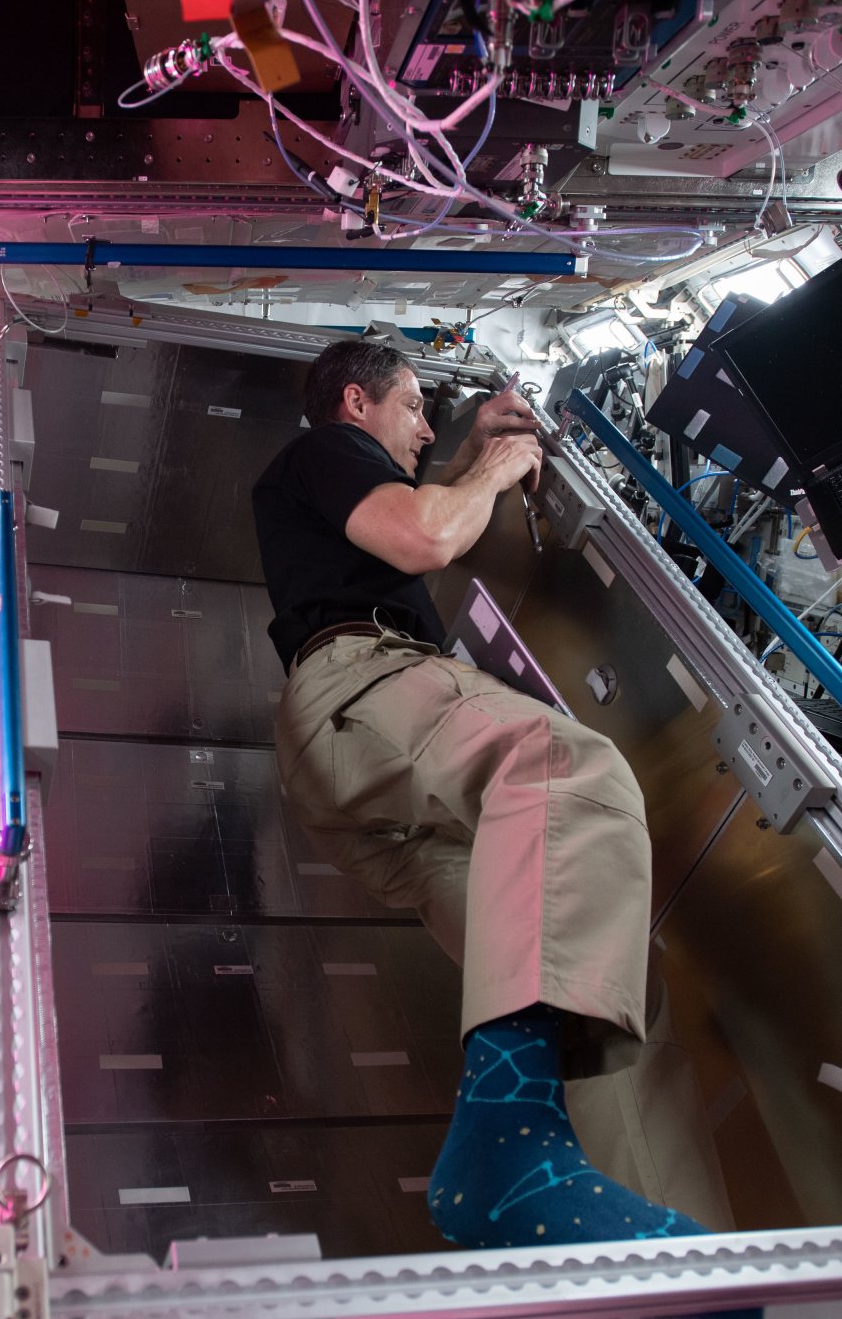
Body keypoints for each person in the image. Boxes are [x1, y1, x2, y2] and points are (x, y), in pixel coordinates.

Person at [253, 338, 713, 1254]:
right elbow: (422, 531)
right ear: (356, 401)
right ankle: (505, 1157)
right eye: (418, 407)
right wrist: (499, 467)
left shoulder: (357, 477)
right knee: (570, 768)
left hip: (366, 775)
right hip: (362, 688)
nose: (429, 429)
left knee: (583, 990)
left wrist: (470, 458)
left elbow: (422, 499)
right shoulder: (321, 452)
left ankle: (652, 1253)